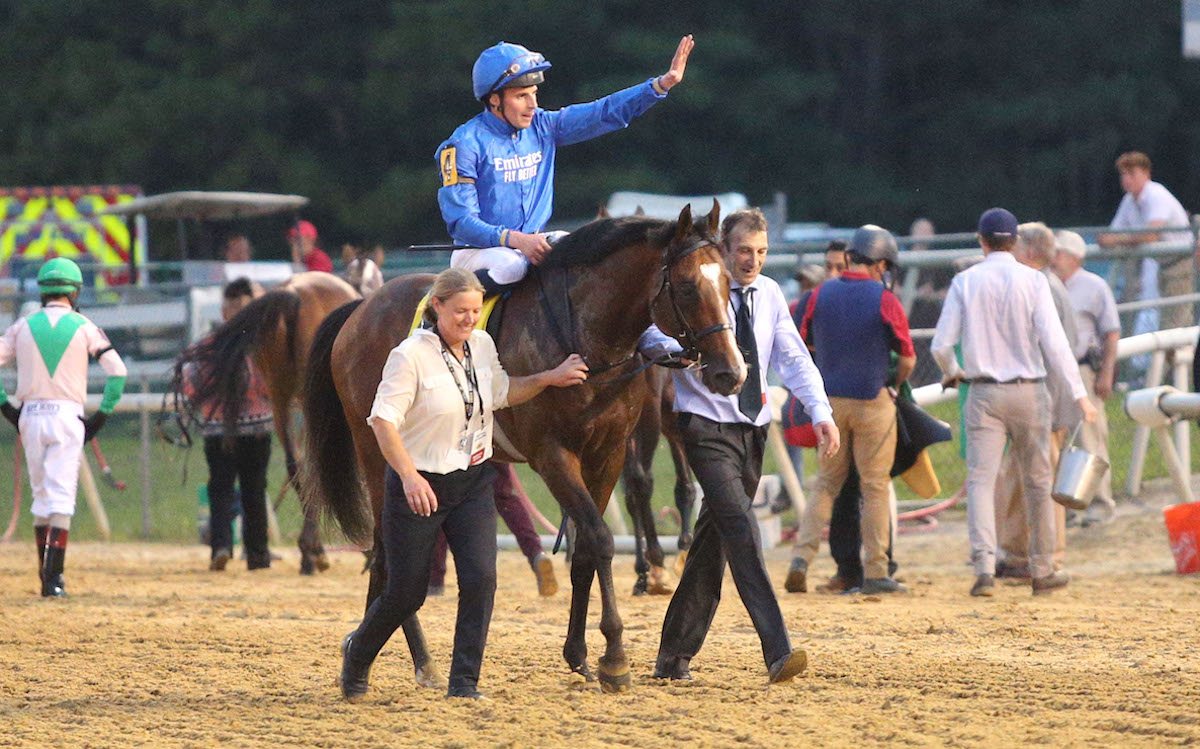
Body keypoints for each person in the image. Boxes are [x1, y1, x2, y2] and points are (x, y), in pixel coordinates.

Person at [339, 268, 589, 701]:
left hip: (473, 481)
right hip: (421, 485)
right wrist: (409, 477)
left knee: (481, 582)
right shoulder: (409, 355)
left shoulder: (483, 345)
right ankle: (358, 654)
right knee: (406, 593)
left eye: (475, 311)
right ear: (436, 307)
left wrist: (549, 377)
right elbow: (382, 421)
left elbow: (502, 393)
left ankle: (464, 684)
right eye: (460, 312)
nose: (469, 319)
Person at [639, 208, 840, 684]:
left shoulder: (769, 294)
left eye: (761, 252)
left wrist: (822, 413)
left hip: (753, 430)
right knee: (741, 528)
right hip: (703, 426)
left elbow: (792, 358)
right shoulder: (700, 286)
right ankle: (777, 648)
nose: (753, 261)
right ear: (725, 250)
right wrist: (670, 352)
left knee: (714, 545)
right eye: (745, 251)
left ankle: (672, 659)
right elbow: (645, 329)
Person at [437, 36, 694, 294]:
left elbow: (602, 112)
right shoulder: (463, 145)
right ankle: (441, 313)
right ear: (494, 99)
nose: (533, 105)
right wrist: (515, 239)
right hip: (477, 253)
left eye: (534, 94)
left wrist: (659, 86)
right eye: (521, 96)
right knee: (512, 266)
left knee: (585, 251)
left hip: (531, 244)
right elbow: (462, 222)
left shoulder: (543, 126)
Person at [932, 208, 1096, 598]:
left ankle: (985, 568)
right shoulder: (1034, 281)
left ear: (982, 241)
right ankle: (1043, 569)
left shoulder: (965, 281)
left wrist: (953, 369)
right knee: (1039, 483)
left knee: (981, 481)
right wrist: (1079, 394)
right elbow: (1055, 345)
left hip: (984, 391)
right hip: (1030, 390)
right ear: (1015, 242)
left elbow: (940, 344)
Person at [789, 226, 915, 595]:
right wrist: (893, 381)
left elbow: (803, 342)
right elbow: (908, 355)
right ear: (878, 263)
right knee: (875, 487)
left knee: (826, 484)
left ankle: (801, 559)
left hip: (829, 404)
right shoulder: (884, 297)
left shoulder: (819, 294)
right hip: (872, 400)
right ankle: (876, 571)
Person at [0, 258, 126, 597]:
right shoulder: (84, 325)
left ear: (42, 291)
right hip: (67, 417)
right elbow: (118, 371)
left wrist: (6, 407)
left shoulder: (23, 326)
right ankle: (54, 579)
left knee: (41, 497)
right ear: (75, 290)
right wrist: (100, 418)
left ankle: (45, 578)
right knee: (61, 499)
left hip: (30, 416)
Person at [992, 223, 1079, 577]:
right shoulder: (1038, 285)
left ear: (1028, 251)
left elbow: (1054, 354)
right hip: (1031, 399)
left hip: (1047, 401)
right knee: (1017, 477)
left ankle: (1050, 557)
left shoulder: (1043, 287)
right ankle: (1015, 554)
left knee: (1045, 485)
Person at [182, 278, 275, 571]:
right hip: (257, 428)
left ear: (224, 312)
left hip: (217, 429)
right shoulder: (261, 350)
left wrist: (208, 405)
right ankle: (258, 554)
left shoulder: (208, 346)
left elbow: (190, 381)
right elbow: (270, 387)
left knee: (220, 490)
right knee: (254, 490)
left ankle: (220, 547)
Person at [1053, 229, 1121, 526]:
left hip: (1083, 368)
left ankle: (1100, 503)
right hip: (1055, 370)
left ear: (1073, 256)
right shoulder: (1049, 284)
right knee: (1059, 439)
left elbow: (1111, 332)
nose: (1054, 258)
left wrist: (1106, 374)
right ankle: (1067, 504)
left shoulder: (1094, 286)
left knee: (1090, 438)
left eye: (1058, 253)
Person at [427, 462, 558, 598]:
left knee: (442, 498)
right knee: (504, 496)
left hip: (458, 451)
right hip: (491, 446)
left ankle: (435, 579)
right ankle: (536, 552)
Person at [1097, 152, 1191, 335]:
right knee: (1159, 318)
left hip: (1180, 264)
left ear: (1146, 174)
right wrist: (1108, 239)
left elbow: (1151, 235)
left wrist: (1116, 240)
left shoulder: (1156, 195)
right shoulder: (1129, 201)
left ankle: (1176, 362)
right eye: (1123, 174)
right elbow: (1113, 232)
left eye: (1132, 173)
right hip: (1158, 265)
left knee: (1175, 323)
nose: (1126, 179)